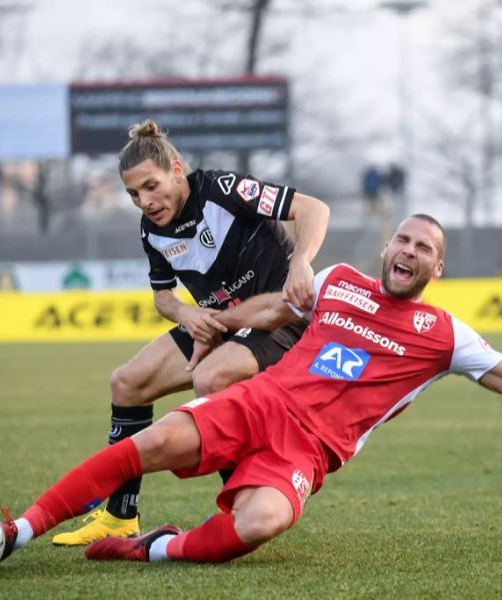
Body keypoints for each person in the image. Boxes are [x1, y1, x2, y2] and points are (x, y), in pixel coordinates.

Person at [0, 214, 502, 565]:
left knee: (259, 524)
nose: (408, 251)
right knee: (154, 438)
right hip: (263, 401)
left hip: (308, 453)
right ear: (388, 246)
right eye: (403, 238)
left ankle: (152, 547)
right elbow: (276, 312)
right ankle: (18, 530)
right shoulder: (337, 280)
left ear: (437, 267)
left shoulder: (445, 334)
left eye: (423, 247)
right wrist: (216, 322)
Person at [52, 119, 330, 545]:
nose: (145, 201)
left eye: (151, 186)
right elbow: (163, 296)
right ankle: (119, 516)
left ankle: (245, 501)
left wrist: (301, 261)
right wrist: (185, 314)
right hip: (219, 325)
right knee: (127, 383)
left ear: (177, 169)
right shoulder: (152, 229)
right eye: (133, 194)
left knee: (209, 378)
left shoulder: (223, 189)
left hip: (280, 320)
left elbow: (314, 208)